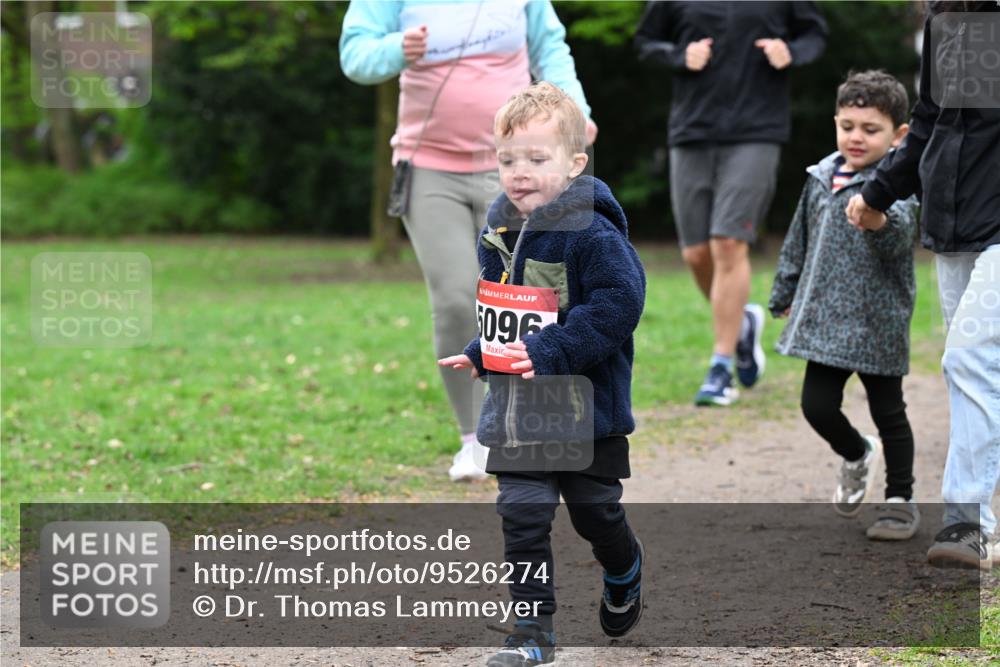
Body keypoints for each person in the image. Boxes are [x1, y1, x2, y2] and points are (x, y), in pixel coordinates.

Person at [340, 0, 597, 481]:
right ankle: (474, 437)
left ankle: (534, 424)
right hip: (428, 166)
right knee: (457, 298)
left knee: (528, 296)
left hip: (516, 164)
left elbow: (550, 49)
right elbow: (355, 55)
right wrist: (397, 48)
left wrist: (576, 113)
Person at [437, 82, 646, 667]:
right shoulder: (498, 231)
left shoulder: (593, 233)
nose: (519, 172)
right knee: (523, 513)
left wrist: (553, 350)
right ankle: (532, 633)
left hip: (586, 410)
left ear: (575, 164)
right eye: (508, 160)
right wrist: (483, 353)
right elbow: (510, 312)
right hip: (519, 411)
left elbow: (618, 305)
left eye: (536, 158)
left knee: (595, 512)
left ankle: (624, 567)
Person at [847, 1, 1000, 569]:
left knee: (970, 358)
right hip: (957, 222)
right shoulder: (948, 21)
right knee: (976, 369)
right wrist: (877, 192)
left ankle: (967, 522)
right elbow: (932, 123)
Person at [634, 0, 827, 406]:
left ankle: (720, 368)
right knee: (695, 253)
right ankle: (742, 325)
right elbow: (646, 42)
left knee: (728, 242)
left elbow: (814, 35)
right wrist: (678, 54)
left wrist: (791, 52)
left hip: (757, 129)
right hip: (692, 129)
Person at [769, 70, 919, 539]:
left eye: (870, 129)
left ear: (898, 135)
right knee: (816, 406)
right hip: (826, 319)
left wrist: (878, 221)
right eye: (848, 126)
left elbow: (901, 238)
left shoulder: (899, 182)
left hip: (878, 319)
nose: (856, 137)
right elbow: (799, 238)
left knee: (889, 412)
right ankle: (857, 453)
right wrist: (784, 290)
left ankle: (900, 500)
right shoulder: (820, 176)